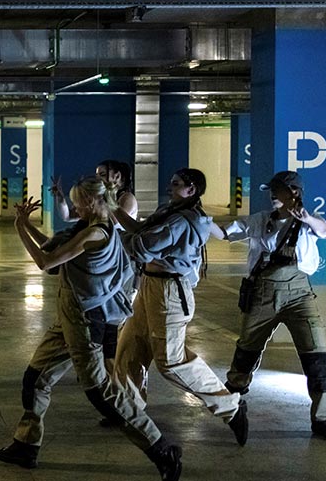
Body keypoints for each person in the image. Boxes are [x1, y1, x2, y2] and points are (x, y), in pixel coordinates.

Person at [0, 178, 183, 481]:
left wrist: (19, 227)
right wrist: (27, 224)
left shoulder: (95, 233)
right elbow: (54, 247)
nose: (74, 207)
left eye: (79, 202)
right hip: (69, 319)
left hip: (84, 321)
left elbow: (46, 261)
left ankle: (161, 449)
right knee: (36, 378)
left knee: (103, 393)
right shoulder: (89, 229)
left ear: (95, 202)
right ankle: (26, 444)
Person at [111, 168, 248, 446]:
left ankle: (230, 406)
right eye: (171, 182)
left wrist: (107, 238)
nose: (169, 187)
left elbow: (141, 247)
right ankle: (129, 408)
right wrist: (112, 209)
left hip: (169, 292)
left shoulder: (182, 222)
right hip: (151, 285)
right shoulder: (169, 212)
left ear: (192, 189)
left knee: (171, 362)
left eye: (176, 184)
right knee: (131, 346)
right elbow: (140, 229)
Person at [214, 171, 326, 441]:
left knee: (317, 357)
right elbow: (225, 233)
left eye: (278, 190)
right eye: (271, 189)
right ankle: (233, 404)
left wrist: (305, 217)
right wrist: (200, 221)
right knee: (245, 353)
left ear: (294, 192)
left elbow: (325, 232)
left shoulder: (308, 221)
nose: (272, 194)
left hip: (299, 294)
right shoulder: (260, 220)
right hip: (262, 292)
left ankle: (324, 419)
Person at [49, 160, 139, 376]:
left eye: (102, 174)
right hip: (101, 264)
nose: (97, 177)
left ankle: (111, 372)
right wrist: (60, 197)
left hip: (117, 263)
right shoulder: (100, 203)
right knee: (101, 319)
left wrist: (102, 203)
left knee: (112, 323)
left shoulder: (126, 199)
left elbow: (115, 223)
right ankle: (102, 368)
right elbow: (68, 216)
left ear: (117, 176)